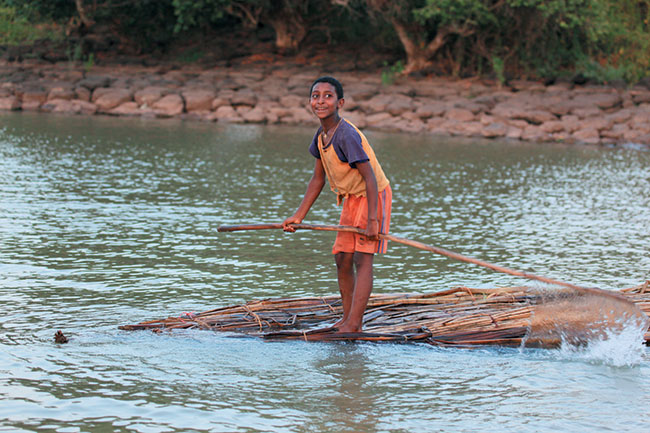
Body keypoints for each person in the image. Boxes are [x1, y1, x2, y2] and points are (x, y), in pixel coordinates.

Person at [282, 76, 392, 334]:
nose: (321, 101)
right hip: (352, 198)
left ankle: (354, 324)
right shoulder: (321, 136)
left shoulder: (346, 135)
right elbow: (317, 179)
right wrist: (298, 216)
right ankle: (346, 318)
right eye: (315, 95)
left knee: (363, 259)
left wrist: (373, 220)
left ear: (340, 102)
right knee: (342, 257)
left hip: (372, 196)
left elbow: (370, 178)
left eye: (328, 96)